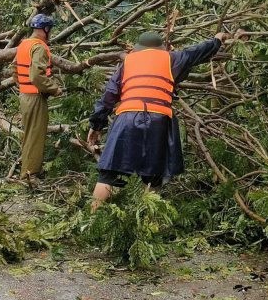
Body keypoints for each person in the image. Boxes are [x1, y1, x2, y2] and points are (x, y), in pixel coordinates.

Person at [85, 31, 234, 210]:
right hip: (158, 121)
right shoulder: (172, 58)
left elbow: (109, 95)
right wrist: (217, 39)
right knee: (153, 174)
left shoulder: (128, 62)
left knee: (110, 172)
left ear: (139, 48)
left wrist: (96, 125)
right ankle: (148, 218)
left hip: (127, 118)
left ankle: (93, 215)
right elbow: (198, 51)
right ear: (160, 47)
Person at [13, 13, 63, 182]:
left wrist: (23, 87)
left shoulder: (24, 44)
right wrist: (54, 89)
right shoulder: (39, 47)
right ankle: (30, 175)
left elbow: (15, 70)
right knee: (36, 136)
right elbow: (36, 76)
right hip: (34, 97)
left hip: (25, 95)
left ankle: (27, 170)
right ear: (46, 29)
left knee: (29, 135)